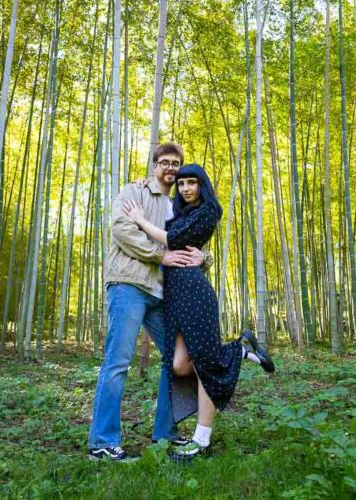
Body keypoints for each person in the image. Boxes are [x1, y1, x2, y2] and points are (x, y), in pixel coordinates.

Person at [122, 163, 275, 462]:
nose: (186, 188)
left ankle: (201, 440)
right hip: (174, 298)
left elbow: (172, 240)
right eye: (181, 184)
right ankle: (239, 350)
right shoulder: (177, 212)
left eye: (192, 183)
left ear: (202, 185)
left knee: (205, 364)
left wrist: (139, 220)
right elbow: (162, 209)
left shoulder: (208, 210)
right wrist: (146, 181)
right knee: (179, 365)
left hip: (194, 293)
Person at [87, 143, 214, 461]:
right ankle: (102, 441)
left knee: (175, 362)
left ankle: (165, 433)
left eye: (176, 164)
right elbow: (122, 231)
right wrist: (161, 255)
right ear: (154, 165)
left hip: (161, 293)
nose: (171, 168)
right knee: (117, 362)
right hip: (129, 285)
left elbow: (189, 242)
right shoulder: (135, 190)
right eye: (165, 163)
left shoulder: (178, 205)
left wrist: (206, 258)